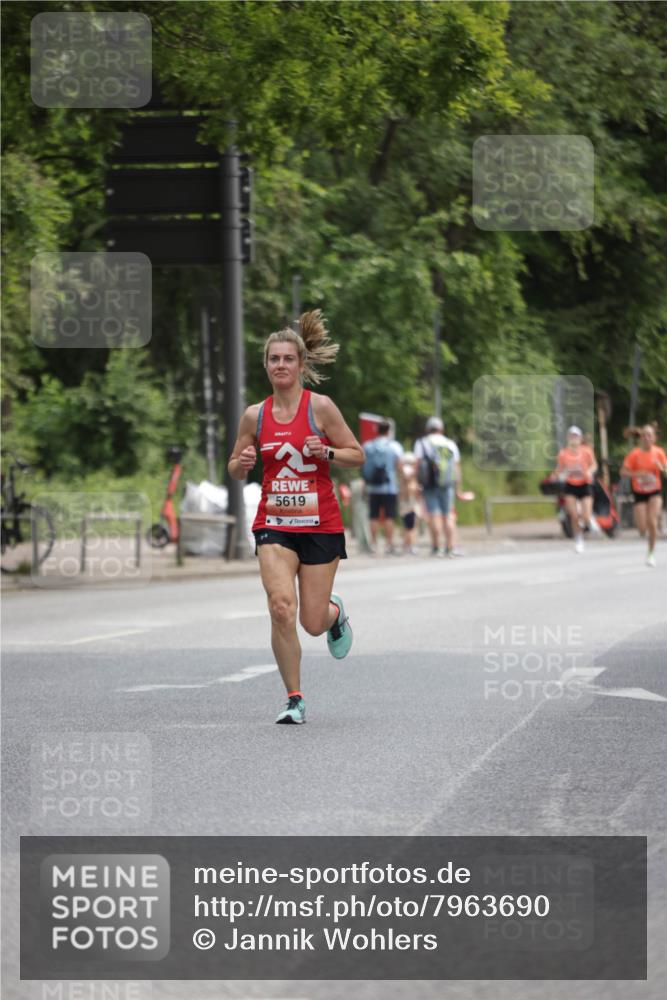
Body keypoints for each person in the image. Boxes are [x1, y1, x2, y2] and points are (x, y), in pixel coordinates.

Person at [228, 310, 364, 724]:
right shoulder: (256, 415)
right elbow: (234, 466)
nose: (281, 366)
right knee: (281, 606)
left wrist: (327, 452)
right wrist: (243, 461)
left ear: (301, 365)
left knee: (311, 622)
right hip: (274, 524)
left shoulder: (320, 408)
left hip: (320, 525)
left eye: (288, 359)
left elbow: (356, 455)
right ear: (266, 366)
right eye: (274, 359)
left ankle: (334, 614)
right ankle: (294, 698)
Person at [619, 423, 667, 567]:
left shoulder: (658, 452)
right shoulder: (634, 454)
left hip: (655, 492)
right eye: (644, 435)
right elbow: (623, 472)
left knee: (651, 521)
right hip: (639, 492)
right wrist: (637, 474)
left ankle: (651, 554)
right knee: (641, 529)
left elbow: (665, 469)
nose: (646, 437)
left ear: (654, 438)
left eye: (649, 435)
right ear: (641, 438)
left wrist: (662, 468)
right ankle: (654, 523)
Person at [414, 416, 461, 557]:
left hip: (429, 484)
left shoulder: (422, 443)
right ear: (441, 429)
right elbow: (457, 467)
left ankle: (436, 547)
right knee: (448, 515)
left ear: (428, 429)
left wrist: (417, 483)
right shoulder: (450, 443)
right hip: (448, 484)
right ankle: (450, 547)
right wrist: (458, 488)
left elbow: (418, 465)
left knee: (434, 515)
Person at [553, 425, 599, 553]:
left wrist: (590, 471)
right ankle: (578, 540)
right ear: (568, 438)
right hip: (571, 485)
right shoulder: (563, 453)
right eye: (571, 436)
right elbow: (559, 469)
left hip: (585, 484)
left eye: (576, 436)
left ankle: (590, 520)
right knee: (573, 515)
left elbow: (594, 465)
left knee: (585, 515)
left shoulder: (586, 451)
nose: (574, 439)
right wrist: (558, 475)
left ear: (580, 438)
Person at [361, 420, 403, 555]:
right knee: (389, 516)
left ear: (377, 430)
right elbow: (399, 465)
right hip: (390, 486)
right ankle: (389, 544)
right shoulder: (394, 446)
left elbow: (363, 466)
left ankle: (373, 545)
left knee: (373, 516)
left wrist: (365, 482)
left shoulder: (368, 446)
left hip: (373, 486)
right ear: (389, 430)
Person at [398, 451, 420, 555]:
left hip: (405, 501)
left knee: (408, 525)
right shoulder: (408, 471)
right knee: (410, 525)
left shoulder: (402, 470)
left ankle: (407, 545)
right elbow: (409, 485)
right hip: (409, 502)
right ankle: (410, 546)